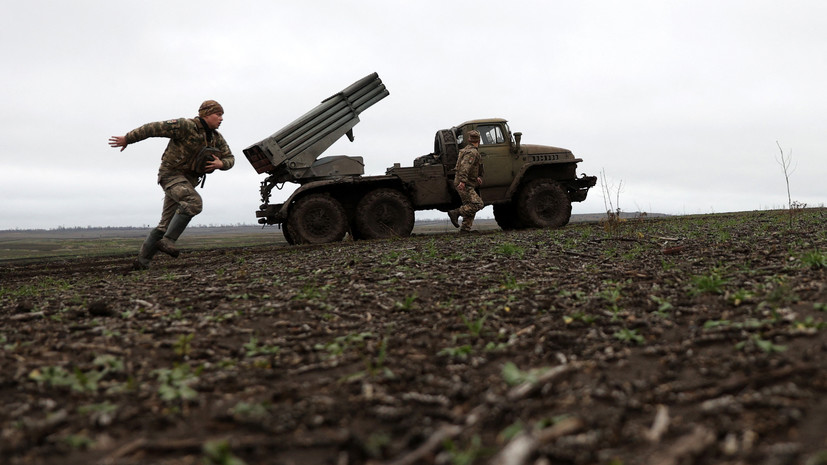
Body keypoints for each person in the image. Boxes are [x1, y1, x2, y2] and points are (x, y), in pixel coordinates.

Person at [108, 100, 235, 270]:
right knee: (194, 202)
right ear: (205, 114)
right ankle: (168, 241)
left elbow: (230, 158)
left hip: (187, 182)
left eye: (222, 115)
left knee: (164, 226)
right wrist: (128, 139)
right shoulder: (185, 126)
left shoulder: (216, 138)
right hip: (170, 176)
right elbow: (152, 128)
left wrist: (222, 164)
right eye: (218, 114)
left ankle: (141, 263)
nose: (221, 119)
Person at [448, 130, 484, 233]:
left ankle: (465, 229)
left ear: (469, 140)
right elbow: (464, 167)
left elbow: (469, 167)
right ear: (479, 140)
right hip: (465, 183)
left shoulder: (465, 150)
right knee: (478, 204)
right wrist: (463, 181)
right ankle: (455, 213)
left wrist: (476, 177)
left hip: (466, 182)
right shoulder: (472, 152)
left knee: (470, 204)